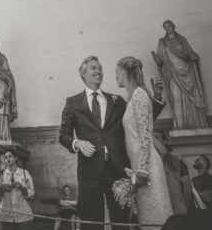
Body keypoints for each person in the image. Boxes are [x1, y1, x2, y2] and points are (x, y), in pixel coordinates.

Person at [59, 54, 165, 230]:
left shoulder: (116, 100)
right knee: (91, 222)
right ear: (83, 74)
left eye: (100, 68)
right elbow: (63, 135)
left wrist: (157, 98)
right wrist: (77, 143)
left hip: (118, 169)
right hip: (89, 170)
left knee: (121, 221)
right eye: (93, 68)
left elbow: (140, 119)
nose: (99, 71)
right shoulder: (72, 103)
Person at [116, 55, 172, 227]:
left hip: (146, 168)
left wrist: (141, 169)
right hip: (139, 166)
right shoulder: (132, 98)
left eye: (116, 72)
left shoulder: (139, 95)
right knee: (147, 217)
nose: (115, 76)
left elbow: (145, 134)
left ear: (125, 72)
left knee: (155, 214)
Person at [153, 20, 209, 129]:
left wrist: (194, 57)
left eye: (169, 26)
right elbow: (161, 61)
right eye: (166, 27)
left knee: (191, 98)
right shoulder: (162, 43)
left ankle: (197, 123)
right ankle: (179, 125)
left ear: (173, 27)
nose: (168, 28)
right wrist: (156, 59)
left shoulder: (182, 40)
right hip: (173, 74)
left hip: (188, 72)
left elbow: (190, 53)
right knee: (176, 97)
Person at [152, 129, 192, 215]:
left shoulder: (173, 157)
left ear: (165, 142)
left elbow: (164, 152)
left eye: (157, 137)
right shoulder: (151, 162)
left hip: (176, 210)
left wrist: (148, 135)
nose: (153, 140)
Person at [0, 148, 34, 228]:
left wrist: (22, 187)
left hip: (23, 216)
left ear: (15, 158)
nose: (8, 159)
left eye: (10, 156)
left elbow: (32, 194)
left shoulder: (24, 173)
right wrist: (2, 188)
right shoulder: (2, 174)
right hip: (5, 216)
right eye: (6, 157)